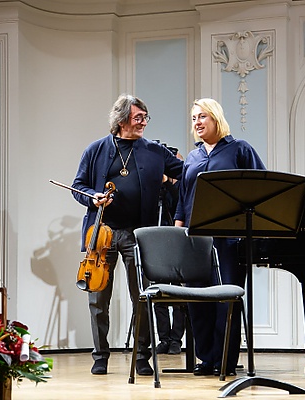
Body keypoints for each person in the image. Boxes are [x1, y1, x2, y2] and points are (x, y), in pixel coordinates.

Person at [71, 94, 183, 376]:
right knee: (98, 299)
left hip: (138, 235)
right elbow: (78, 186)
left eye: (145, 117)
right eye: (138, 118)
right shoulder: (96, 149)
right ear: (122, 121)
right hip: (102, 235)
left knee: (142, 297)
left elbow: (186, 173)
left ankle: (142, 356)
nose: (144, 123)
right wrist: (92, 197)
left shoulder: (155, 151)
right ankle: (100, 356)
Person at [174, 98, 265, 376]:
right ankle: (206, 359)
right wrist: (178, 230)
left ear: (216, 118)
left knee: (226, 301)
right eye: (194, 118)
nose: (197, 122)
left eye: (202, 116)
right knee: (197, 300)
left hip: (228, 240)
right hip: (195, 239)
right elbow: (183, 199)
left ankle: (225, 360)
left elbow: (261, 186)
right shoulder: (193, 157)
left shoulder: (239, 149)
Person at [154, 171, 186, 355]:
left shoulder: (180, 186)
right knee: (159, 294)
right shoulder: (153, 188)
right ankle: (164, 339)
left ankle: (176, 340)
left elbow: (178, 205)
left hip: (177, 244)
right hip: (157, 245)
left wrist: (167, 182)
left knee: (179, 295)